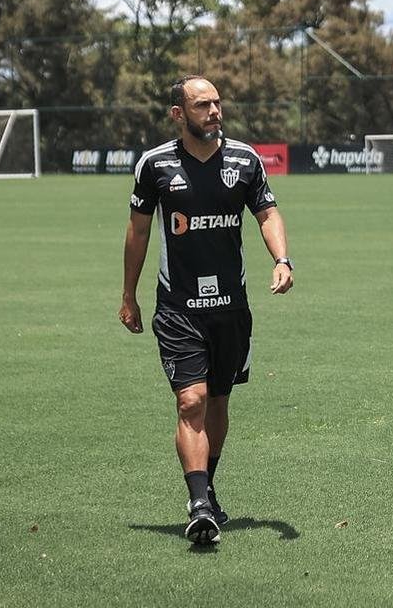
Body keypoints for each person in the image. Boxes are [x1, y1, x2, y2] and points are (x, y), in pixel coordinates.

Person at [119, 75, 294, 545]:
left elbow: (267, 213)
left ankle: (208, 482)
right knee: (191, 399)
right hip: (177, 307)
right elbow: (138, 232)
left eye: (217, 103)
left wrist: (282, 259)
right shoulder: (154, 165)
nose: (214, 111)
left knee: (218, 400)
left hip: (232, 309)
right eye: (202, 105)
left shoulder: (245, 159)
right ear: (179, 114)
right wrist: (128, 295)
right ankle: (199, 504)